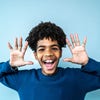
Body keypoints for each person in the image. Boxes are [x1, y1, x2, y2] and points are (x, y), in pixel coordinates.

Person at [0, 22, 100, 100]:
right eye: (42, 49)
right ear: (35, 55)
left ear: (60, 52)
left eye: (54, 48)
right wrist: (10, 65)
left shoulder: (77, 78)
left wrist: (87, 62)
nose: (48, 53)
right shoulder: (23, 79)